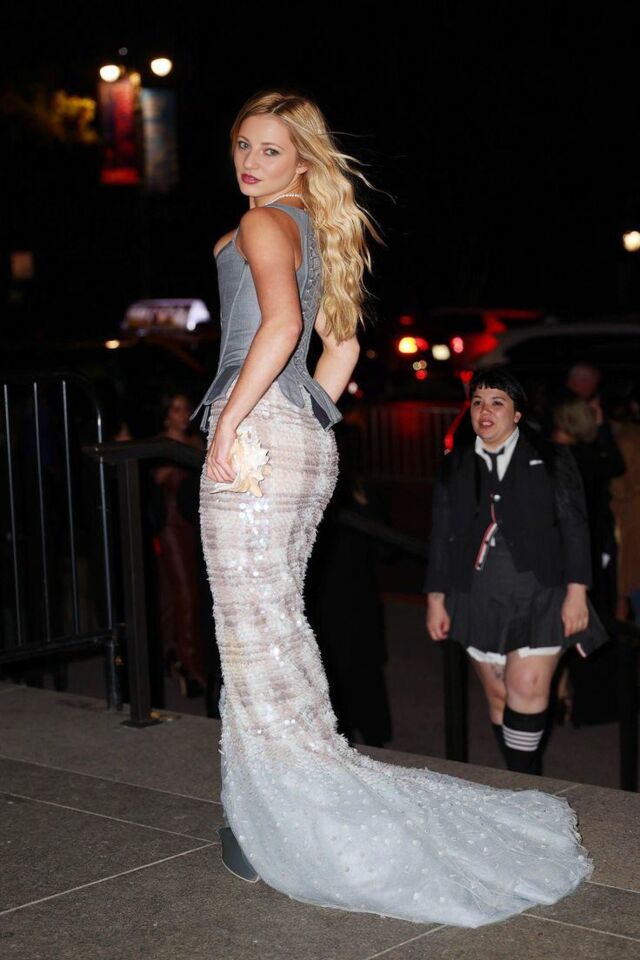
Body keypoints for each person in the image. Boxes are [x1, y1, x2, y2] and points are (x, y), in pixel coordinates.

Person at [194, 91, 593, 928]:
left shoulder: (264, 224)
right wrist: (305, 420)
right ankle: (269, 800)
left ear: (302, 159)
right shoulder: (311, 228)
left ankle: (274, 816)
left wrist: (231, 425)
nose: (251, 163)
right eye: (243, 145)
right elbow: (339, 345)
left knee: (251, 630)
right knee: (272, 623)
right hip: (298, 435)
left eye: (271, 150)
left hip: (256, 428)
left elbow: (282, 326)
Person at [426, 369, 609, 775]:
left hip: (541, 591)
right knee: (498, 697)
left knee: (526, 689)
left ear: (517, 414)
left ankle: (528, 787)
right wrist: (436, 598)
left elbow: (576, 527)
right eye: (477, 402)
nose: (484, 411)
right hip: (477, 592)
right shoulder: (455, 464)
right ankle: (518, 783)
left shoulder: (553, 458)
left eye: (497, 403)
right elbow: (441, 536)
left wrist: (577, 592)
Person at [151, 393, 207, 696]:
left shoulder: (195, 443)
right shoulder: (159, 446)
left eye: (185, 408)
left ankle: (172, 654)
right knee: (182, 592)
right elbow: (153, 480)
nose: (183, 414)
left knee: (183, 592)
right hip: (170, 523)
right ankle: (190, 664)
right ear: (165, 415)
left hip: (194, 522)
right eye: (175, 409)